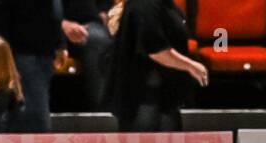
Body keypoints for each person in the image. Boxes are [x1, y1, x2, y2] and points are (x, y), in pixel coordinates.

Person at [105, 0, 206, 131]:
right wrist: (191, 66)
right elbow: (156, 50)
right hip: (143, 100)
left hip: (163, 97)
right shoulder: (144, 5)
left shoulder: (164, 4)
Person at [0, 1, 63, 132]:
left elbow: (53, 7)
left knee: (31, 113)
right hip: (20, 50)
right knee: (32, 116)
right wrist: (2, 52)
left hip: (42, 50)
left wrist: (60, 42)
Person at [62, 0, 114, 111]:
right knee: (97, 40)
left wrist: (105, 11)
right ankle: (103, 112)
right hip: (55, 23)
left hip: (92, 21)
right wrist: (61, 24)